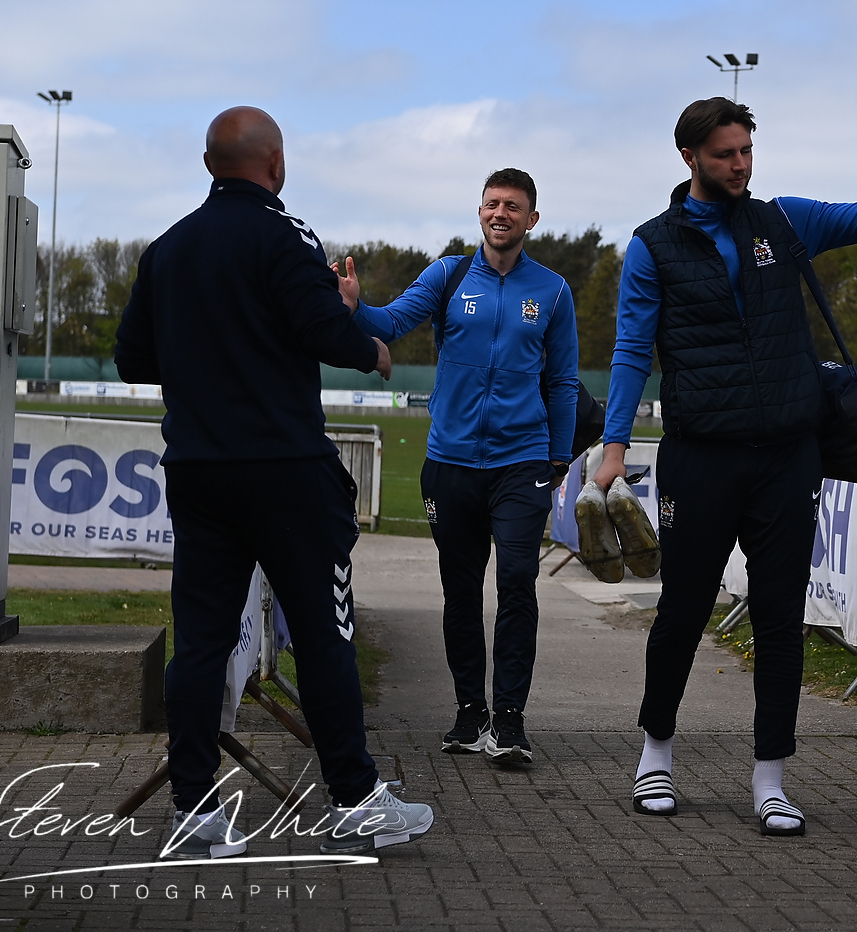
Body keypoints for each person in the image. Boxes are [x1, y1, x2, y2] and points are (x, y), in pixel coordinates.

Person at [115, 106, 434, 859]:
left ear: (209, 166)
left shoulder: (167, 247)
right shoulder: (286, 233)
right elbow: (324, 331)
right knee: (324, 635)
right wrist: (370, 344)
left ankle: (193, 809)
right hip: (286, 471)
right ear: (276, 164)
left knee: (201, 644)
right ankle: (354, 798)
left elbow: (132, 359)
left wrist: (208, 359)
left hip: (198, 470)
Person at [590, 97, 857, 835]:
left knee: (778, 618)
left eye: (746, 151)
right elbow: (632, 350)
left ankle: (771, 780)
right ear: (690, 158)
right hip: (701, 457)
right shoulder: (652, 246)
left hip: (788, 458)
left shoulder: (782, 221)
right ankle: (655, 755)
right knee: (683, 611)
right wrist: (614, 446)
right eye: (725, 154)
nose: (740, 165)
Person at [334, 169, 578, 765]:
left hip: (522, 462)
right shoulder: (447, 275)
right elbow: (392, 323)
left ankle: (510, 722)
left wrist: (558, 458)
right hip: (451, 462)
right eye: (492, 203)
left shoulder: (552, 290)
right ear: (480, 211)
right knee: (461, 591)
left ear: (532, 219)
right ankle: (471, 713)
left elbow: (564, 380)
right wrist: (356, 306)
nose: (501, 214)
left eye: (513, 206)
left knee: (517, 583)